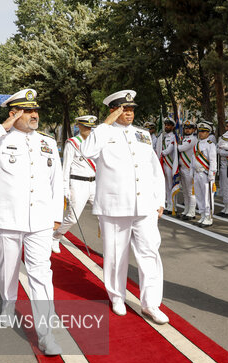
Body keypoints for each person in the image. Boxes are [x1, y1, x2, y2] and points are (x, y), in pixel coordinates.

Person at [0, 88, 63, 355]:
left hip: (40, 219)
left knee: (41, 273)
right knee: (7, 267)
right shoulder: (0, 139)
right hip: (8, 217)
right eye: (27, 111)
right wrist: (3, 127)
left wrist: (56, 216)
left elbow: (58, 182)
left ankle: (46, 335)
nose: (34, 115)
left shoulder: (48, 143)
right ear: (14, 113)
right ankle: (8, 303)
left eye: (35, 110)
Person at [80, 90, 168, 324]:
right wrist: (105, 124)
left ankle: (151, 304)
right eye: (123, 109)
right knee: (116, 255)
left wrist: (160, 199)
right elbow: (86, 152)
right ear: (113, 110)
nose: (128, 113)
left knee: (149, 253)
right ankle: (117, 296)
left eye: (131, 109)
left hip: (144, 205)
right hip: (115, 206)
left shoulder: (142, 135)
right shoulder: (102, 133)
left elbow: (153, 169)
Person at [52, 115, 98, 254]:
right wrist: (64, 187)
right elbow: (65, 167)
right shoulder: (72, 143)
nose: (89, 131)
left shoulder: (96, 143)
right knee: (73, 218)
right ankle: (56, 237)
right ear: (79, 126)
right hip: (78, 183)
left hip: (94, 183)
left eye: (91, 128)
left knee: (103, 216)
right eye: (86, 128)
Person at [190, 121, 217, 227]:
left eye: (203, 131)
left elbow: (213, 160)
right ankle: (202, 215)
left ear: (208, 133)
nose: (201, 133)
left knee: (207, 197)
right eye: (200, 131)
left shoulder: (211, 145)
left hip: (205, 174)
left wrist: (212, 174)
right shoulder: (197, 144)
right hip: (197, 173)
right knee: (199, 196)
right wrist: (191, 172)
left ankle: (208, 217)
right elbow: (193, 159)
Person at [177, 119, 198, 220]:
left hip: (189, 168)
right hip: (183, 168)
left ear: (194, 130)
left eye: (190, 128)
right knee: (184, 191)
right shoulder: (184, 138)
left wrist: (175, 144)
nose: (187, 130)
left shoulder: (192, 139)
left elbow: (181, 148)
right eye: (186, 128)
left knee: (190, 191)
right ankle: (186, 209)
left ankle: (192, 211)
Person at [158, 118, 178, 215]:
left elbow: (169, 149)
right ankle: (169, 204)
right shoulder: (164, 136)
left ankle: (173, 206)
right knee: (166, 186)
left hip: (170, 164)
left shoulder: (174, 137)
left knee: (171, 185)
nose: (166, 126)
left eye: (168, 125)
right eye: (165, 125)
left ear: (173, 127)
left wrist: (160, 153)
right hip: (164, 163)